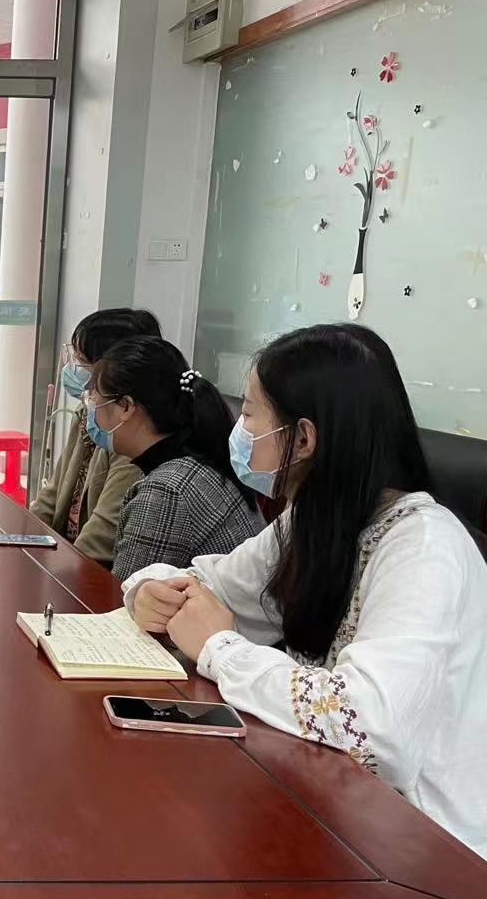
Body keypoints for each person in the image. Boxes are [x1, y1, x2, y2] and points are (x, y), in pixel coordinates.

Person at [127, 323, 487, 858]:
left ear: (303, 438)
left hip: (428, 852)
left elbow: (372, 730)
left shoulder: (424, 548)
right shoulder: (317, 521)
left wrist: (222, 649)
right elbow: (212, 582)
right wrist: (149, 590)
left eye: (250, 415)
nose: (239, 429)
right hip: (333, 809)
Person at [83, 335, 262, 580]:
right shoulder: (197, 460)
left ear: (125, 406)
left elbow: (125, 594)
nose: (91, 411)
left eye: (94, 400)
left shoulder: (166, 492)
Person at [30, 308, 163, 565]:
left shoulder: (130, 437)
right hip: (64, 557)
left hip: (85, 568)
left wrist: (52, 571)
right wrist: (24, 537)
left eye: (81, 362)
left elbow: (101, 537)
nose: (73, 368)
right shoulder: (86, 413)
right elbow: (52, 495)